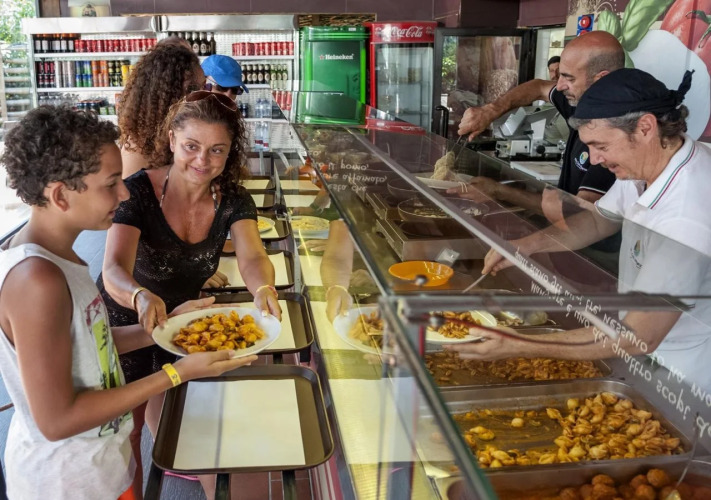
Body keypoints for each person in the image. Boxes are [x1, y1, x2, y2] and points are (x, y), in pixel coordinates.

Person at [0, 106, 256, 500]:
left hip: (99, 465)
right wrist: (175, 374)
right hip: (66, 483)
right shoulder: (37, 281)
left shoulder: (62, 261)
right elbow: (57, 420)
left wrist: (168, 326)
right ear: (61, 195)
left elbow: (90, 347)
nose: (124, 193)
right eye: (111, 183)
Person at [451, 68, 711, 392]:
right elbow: (598, 220)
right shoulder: (645, 163)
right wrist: (525, 245)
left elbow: (639, 335)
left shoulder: (687, 214)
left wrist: (519, 344)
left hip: (681, 378)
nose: (595, 159)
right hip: (640, 354)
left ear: (645, 127)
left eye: (601, 145)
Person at [98, 91, 281, 497]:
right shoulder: (138, 192)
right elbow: (112, 269)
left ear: (230, 152)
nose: (203, 160)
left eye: (217, 150)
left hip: (181, 324)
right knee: (127, 433)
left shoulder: (233, 199)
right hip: (126, 323)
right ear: (171, 140)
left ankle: (183, 472)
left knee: (179, 421)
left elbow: (253, 256)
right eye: (191, 146)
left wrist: (264, 287)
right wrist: (140, 296)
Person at [453, 31, 624, 219]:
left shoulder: (616, 136)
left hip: (585, 234)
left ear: (601, 79)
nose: (559, 86)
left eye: (569, 78)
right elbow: (538, 87)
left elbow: (579, 214)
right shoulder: (579, 101)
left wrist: (497, 191)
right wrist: (490, 110)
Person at [118, 43, 205, 178]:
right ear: (163, 94)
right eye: (191, 89)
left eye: (204, 87)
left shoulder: (180, 132)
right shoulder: (138, 150)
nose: (201, 96)